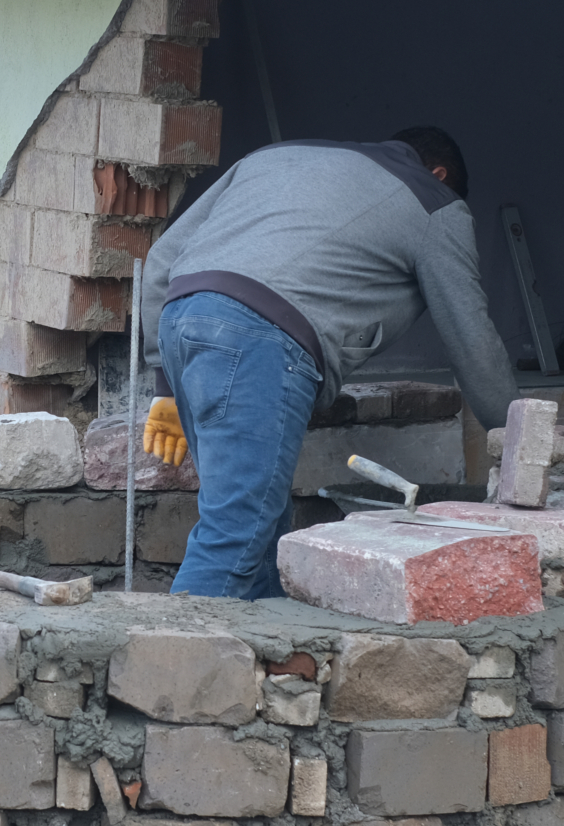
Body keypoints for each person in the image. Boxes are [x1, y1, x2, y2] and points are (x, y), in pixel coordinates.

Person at [135, 128, 521, 599]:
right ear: (439, 174)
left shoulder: (276, 156)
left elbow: (159, 262)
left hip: (181, 320)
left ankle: (261, 658)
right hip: (260, 342)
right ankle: (172, 665)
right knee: (236, 531)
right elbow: (471, 334)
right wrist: (517, 435)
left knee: (261, 523)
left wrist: (165, 384)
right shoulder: (436, 203)